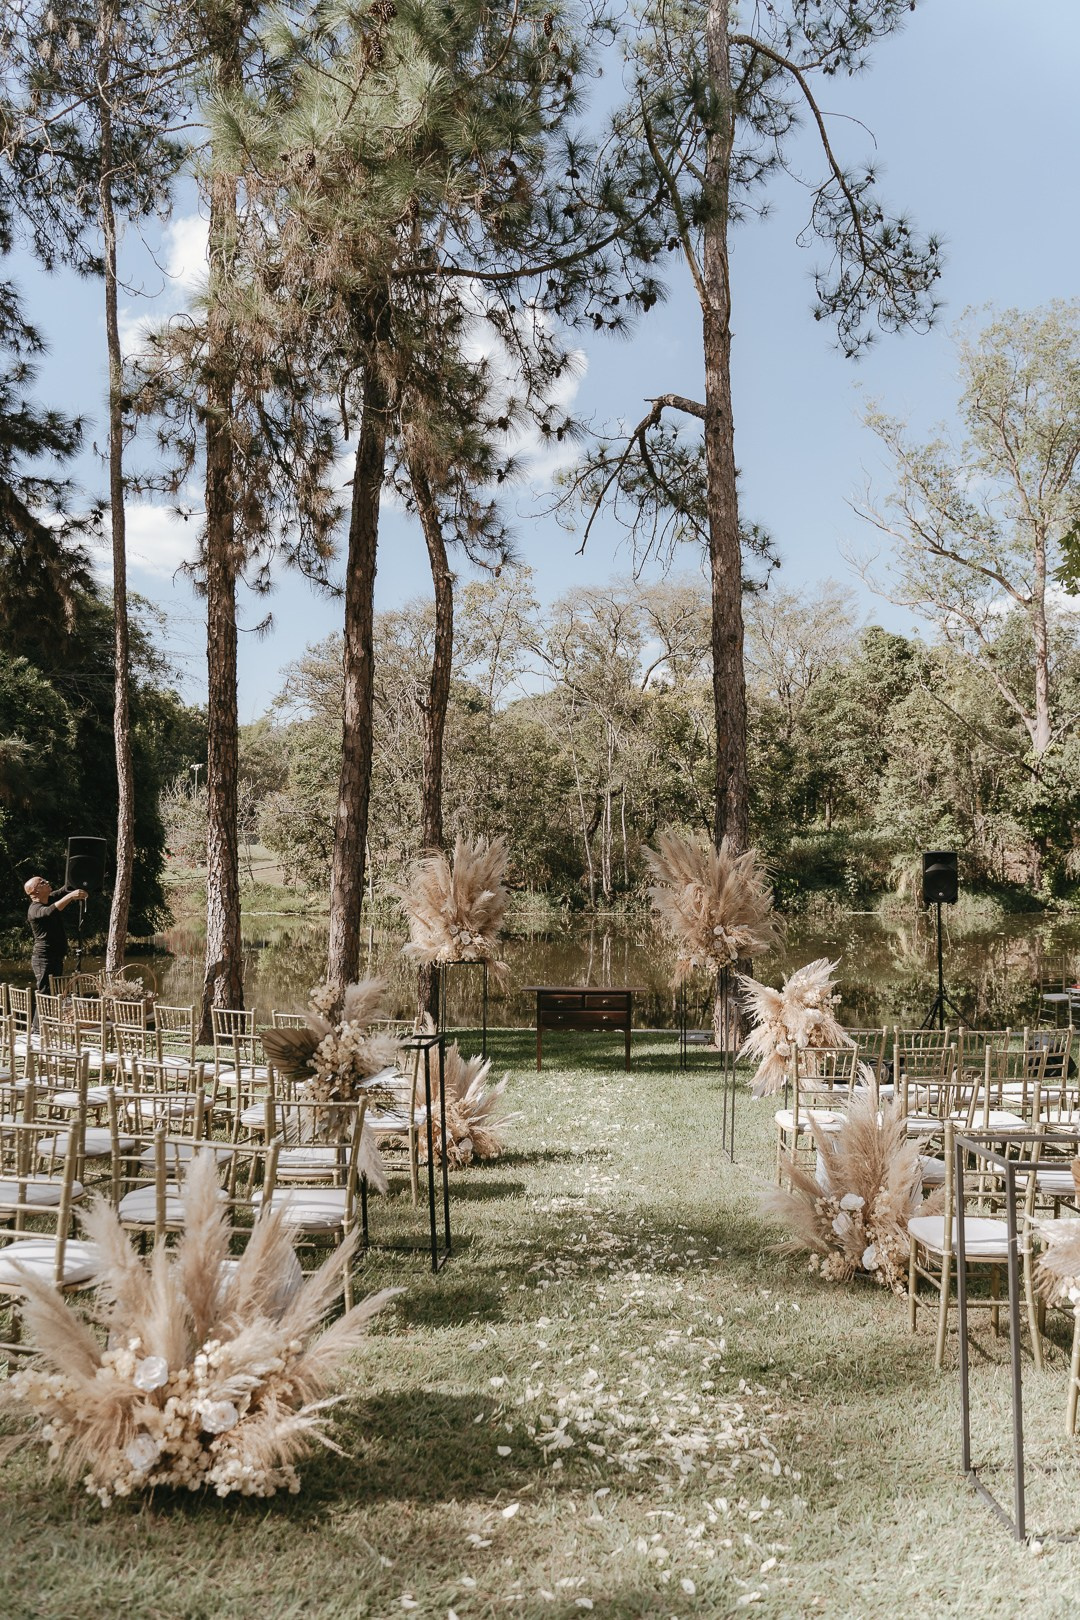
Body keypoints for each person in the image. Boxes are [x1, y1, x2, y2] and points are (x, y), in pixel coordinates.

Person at [23, 875, 88, 995]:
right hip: (44, 959)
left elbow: (65, 889)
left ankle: (49, 1014)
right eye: (42, 882)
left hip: (55, 958)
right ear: (35, 891)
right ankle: (40, 1015)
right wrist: (70, 897)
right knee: (46, 995)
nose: (47, 881)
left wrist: (79, 874)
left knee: (54, 994)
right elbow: (49, 911)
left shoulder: (50, 898)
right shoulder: (34, 909)